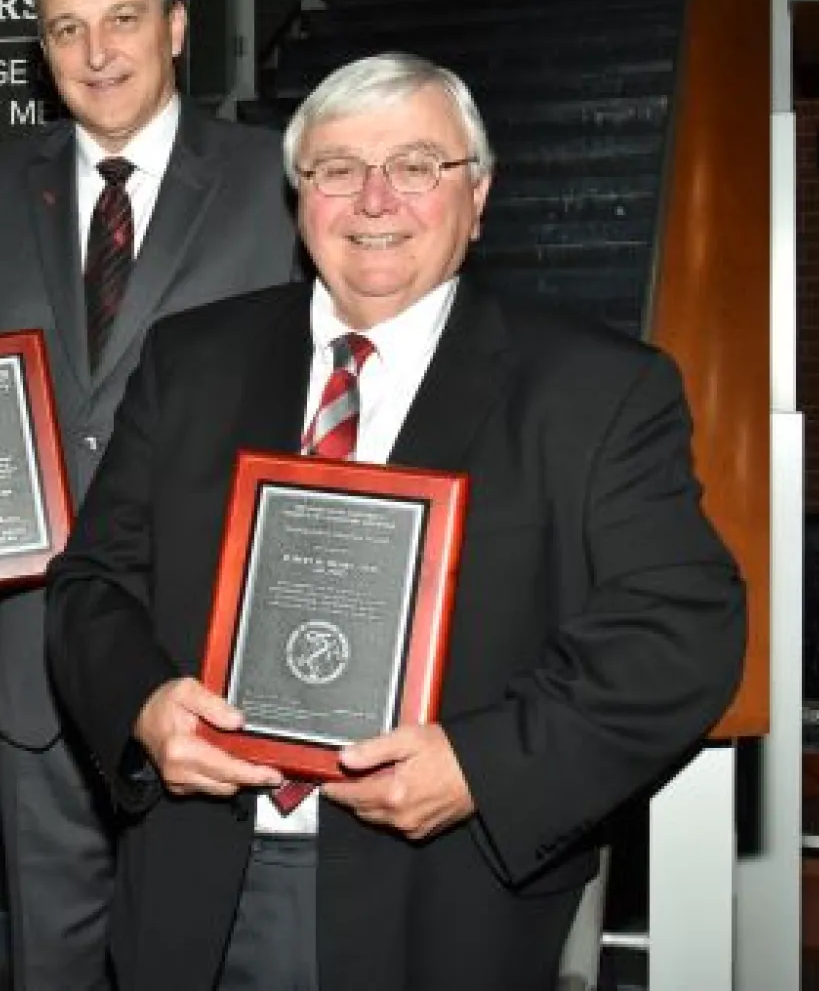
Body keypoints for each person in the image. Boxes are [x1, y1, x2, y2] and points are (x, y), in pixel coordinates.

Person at [42, 53, 748, 991]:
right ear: (300, 198)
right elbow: (92, 583)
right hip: (195, 879)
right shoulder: (191, 360)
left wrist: (481, 764)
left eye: (417, 165)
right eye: (336, 168)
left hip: (441, 905)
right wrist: (141, 707)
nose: (375, 199)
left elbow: (680, 631)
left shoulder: (595, 390)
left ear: (478, 194)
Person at [0, 0, 298, 988]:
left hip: (208, 660)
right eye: (66, 27)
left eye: (122, 18)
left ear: (178, 28)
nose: (96, 51)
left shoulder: (277, 180)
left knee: (203, 959)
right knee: (50, 958)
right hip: (31, 651)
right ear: (40, 48)